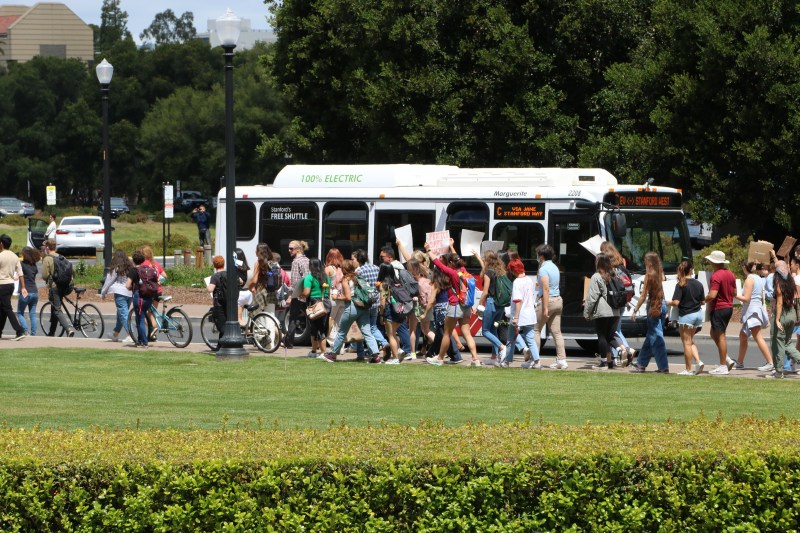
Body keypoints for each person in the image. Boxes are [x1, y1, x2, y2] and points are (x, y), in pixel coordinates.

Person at [425, 249, 481, 367]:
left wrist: (429, 250)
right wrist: (451, 246)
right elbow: (454, 258)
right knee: (467, 333)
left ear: (450, 263)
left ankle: (439, 359)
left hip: (455, 305)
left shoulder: (452, 273)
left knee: (447, 333)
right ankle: (475, 359)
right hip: (466, 307)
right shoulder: (464, 272)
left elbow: (438, 263)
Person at [321, 259, 380, 362]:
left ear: (344, 269)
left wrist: (336, 297)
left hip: (352, 307)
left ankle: (333, 355)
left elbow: (348, 297)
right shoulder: (358, 277)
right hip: (363, 307)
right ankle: (376, 356)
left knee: (342, 332)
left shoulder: (346, 279)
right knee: (367, 332)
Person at [630, 252, 669, 373]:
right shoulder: (661, 274)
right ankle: (641, 363)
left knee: (657, 337)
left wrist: (635, 310)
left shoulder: (649, 275)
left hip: (653, 306)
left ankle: (663, 367)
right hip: (662, 305)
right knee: (651, 335)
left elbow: (643, 296)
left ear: (649, 262)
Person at [734, 261, 774, 371]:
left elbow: (746, 298)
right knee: (743, 335)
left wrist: (734, 294)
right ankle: (740, 362)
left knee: (757, 335)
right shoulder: (758, 278)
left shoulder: (749, 279)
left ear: (744, 267)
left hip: (753, 311)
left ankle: (770, 362)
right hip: (755, 310)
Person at [583, 252, 620, 369]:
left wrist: (587, 313)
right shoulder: (615, 275)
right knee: (609, 336)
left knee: (602, 336)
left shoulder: (597, 276)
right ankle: (610, 361)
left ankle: (604, 362)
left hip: (603, 311)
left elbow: (592, 297)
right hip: (616, 310)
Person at [668, 260, 706, 375]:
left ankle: (688, 369)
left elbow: (676, 302)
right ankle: (698, 361)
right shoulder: (699, 284)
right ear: (691, 270)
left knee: (686, 343)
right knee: (690, 340)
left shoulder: (681, 284)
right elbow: (703, 301)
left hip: (686, 316)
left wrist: (667, 302)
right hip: (698, 315)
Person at [501, 259, 540, 369]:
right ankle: (537, 362)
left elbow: (518, 301)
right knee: (530, 339)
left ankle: (507, 362)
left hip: (519, 315)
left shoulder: (517, 282)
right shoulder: (529, 280)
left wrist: (516, 317)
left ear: (514, 270)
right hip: (530, 314)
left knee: (510, 339)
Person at [704, 250, 738, 375]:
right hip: (728, 307)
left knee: (720, 335)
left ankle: (723, 365)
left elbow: (712, 294)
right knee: (714, 332)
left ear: (713, 262)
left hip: (719, 308)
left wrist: (703, 300)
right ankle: (726, 359)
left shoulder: (716, 275)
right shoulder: (730, 274)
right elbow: (734, 293)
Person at [535, 243, 567, 369]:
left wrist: (545, 308)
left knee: (535, 330)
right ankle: (562, 360)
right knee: (556, 332)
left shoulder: (543, 269)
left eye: (538, 254)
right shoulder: (554, 266)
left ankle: (535, 359)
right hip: (558, 300)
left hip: (548, 301)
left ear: (541, 255)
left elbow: (545, 288)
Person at [352, 248, 387, 363]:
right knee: (373, 327)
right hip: (375, 302)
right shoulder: (376, 268)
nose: (352, 261)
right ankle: (384, 343)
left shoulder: (359, 271)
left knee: (362, 329)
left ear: (358, 259)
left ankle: (361, 353)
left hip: (364, 303)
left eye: (353, 259)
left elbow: (356, 288)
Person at [767, 261, 800, 378]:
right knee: (787, 343)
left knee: (778, 344)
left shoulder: (778, 283)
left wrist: (777, 319)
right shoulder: (790, 281)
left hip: (783, 315)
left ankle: (778, 371)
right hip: (792, 314)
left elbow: (779, 303)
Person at [475, 250, 507, 365]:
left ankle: (502, 347)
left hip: (491, 303)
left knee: (485, 331)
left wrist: (478, 305)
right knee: (494, 330)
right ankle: (494, 357)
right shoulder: (501, 272)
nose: (483, 260)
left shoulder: (489, 273)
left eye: (484, 258)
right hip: (500, 306)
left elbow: (484, 292)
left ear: (488, 260)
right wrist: (478, 259)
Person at [41, 237, 74, 337]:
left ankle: (68, 329)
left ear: (47, 247)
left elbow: (44, 276)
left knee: (57, 309)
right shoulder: (62, 257)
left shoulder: (47, 258)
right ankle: (51, 332)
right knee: (54, 307)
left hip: (56, 287)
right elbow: (72, 271)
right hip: (67, 286)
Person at [100, 249, 133, 342]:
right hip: (130, 293)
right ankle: (115, 334)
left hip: (120, 293)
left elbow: (109, 281)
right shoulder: (130, 266)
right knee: (121, 314)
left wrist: (103, 292)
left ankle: (131, 335)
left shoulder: (116, 267)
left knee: (124, 314)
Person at [284, 240, 310, 349]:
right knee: (310, 317)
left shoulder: (296, 262)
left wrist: (291, 296)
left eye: (291, 248)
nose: (289, 250)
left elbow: (295, 281)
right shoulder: (307, 260)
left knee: (293, 318)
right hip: (308, 291)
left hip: (299, 293)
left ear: (298, 249)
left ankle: (288, 342)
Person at [0, 235, 27, 340]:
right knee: (3, 308)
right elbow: (20, 273)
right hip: (10, 285)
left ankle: (19, 331)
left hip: (2, 284)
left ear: (1, 244)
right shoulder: (15, 257)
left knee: (7, 308)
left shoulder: (1, 256)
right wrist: (23, 287)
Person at [303, 258, 330, 357]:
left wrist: (300, 295)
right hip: (326, 302)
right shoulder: (326, 277)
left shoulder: (309, 278)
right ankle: (314, 351)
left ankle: (322, 352)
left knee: (317, 328)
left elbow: (306, 292)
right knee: (321, 327)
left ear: (310, 266)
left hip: (315, 303)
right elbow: (328, 291)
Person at [126, 250, 152, 348]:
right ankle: (140, 340)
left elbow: (128, 284)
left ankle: (144, 342)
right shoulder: (147, 269)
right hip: (149, 296)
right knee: (140, 317)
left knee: (140, 319)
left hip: (139, 296)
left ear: (134, 260)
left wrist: (130, 288)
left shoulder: (133, 270)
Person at [250, 243, 283, 315]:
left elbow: (254, 280)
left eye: (256, 250)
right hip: (271, 292)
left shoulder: (258, 263)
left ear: (259, 252)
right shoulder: (274, 262)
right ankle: (272, 326)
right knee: (270, 315)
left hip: (261, 291)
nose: (255, 251)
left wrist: (250, 286)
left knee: (258, 315)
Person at [15, 246, 40, 337]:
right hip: (35, 291)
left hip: (25, 291)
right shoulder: (34, 266)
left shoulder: (22, 264)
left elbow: (17, 272)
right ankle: (33, 333)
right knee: (32, 313)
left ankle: (25, 330)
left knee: (20, 313)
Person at [324, 248, 345, 344]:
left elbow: (324, 283)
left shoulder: (328, 269)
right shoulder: (342, 269)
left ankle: (332, 343)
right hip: (342, 297)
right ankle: (340, 345)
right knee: (339, 323)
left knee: (330, 320)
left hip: (332, 297)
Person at [206, 255, 227, 348]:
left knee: (221, 324)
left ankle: (222, 344)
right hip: (228, 302)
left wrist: (207, 286)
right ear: (224, 264)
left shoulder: (215, 277)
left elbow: (210, 289)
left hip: (219, 303)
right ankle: (220, 344)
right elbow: (241, 281)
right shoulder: (228, 274)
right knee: (226, 322)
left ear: (214, 265)